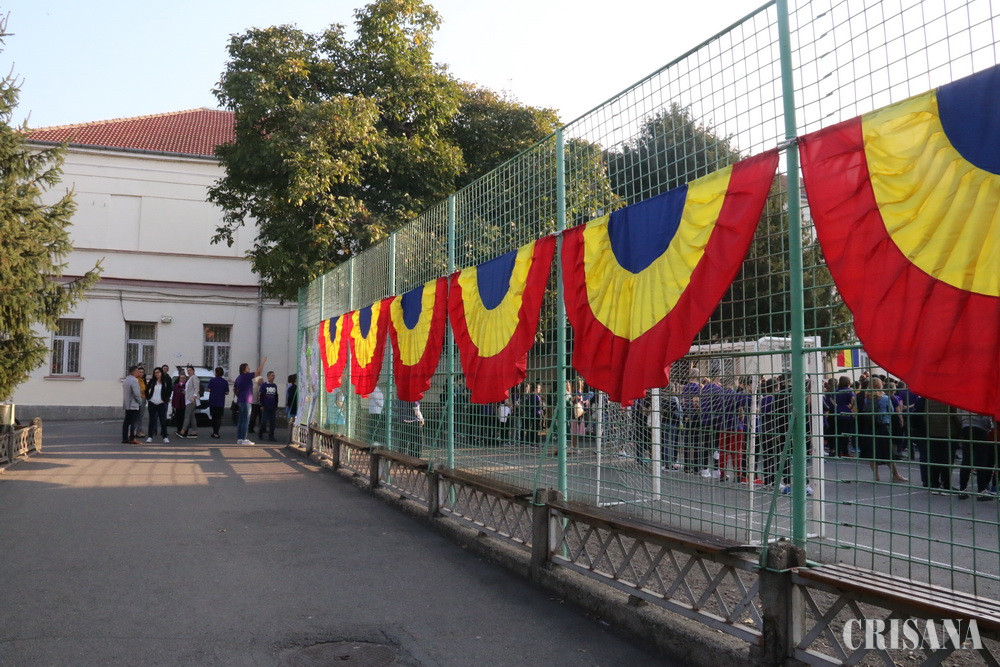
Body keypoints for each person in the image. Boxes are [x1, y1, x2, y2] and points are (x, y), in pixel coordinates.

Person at [955, 409, 996, 500]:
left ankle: (962, 489)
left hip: (966, 427)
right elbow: (986, 416)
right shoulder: (980, 400)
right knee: (981, 460)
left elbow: (958, 413)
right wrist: (988, 427)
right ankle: (981, 491)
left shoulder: (964, 400)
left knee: (966, 460)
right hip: (980, 428)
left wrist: (964, 422)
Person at [233, 357, 267, 445]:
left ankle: (240, 439)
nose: (249, 368)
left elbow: (234, 389)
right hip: (246, 401)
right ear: (244, 369)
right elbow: (258, 372)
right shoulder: (246, 376)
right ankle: (244, 439)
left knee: (241, 420)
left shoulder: (238, 377)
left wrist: (239, 395)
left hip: (240, 401)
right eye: (248, 367)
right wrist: (263, 362)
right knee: (246, 420)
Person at [144, 366, 171, 443]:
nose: (157, 374)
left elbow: (169, 390)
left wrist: (165, 400)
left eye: (158, 372)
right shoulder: (152, 381)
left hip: (161, 403)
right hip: (152, 403)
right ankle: (150, 436)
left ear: (161, 373)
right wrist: (149, 399)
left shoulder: (165, 381)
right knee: (152, 420)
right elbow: (146, 390)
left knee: (163, 420)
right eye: (155, 372)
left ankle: (165, 437)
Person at [176, 365, 200, 439]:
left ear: (193, 371)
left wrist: (194, 397)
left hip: (191, 400)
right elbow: (189, 390)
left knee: (187, 416)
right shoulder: (190, 378)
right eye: (188, 370)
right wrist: (183, 391)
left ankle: (182, 432)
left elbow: (197, 388)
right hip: (188, 400)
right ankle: (194, 432)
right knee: (192, 417)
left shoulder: (194, 377)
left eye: (190, 370)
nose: (189, 372)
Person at [121, 365, 143, 444]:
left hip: (127, 404)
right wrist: (140, 401)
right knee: (134, 422)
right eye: (138, 371)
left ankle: (125, 438)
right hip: (133, 405)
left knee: (126, 422)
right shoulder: (134, 380)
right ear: (134, 372)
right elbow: (136, 393)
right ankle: (132, 438)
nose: (139, 373)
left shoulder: (126, 380)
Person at [207, 367, 229, 439]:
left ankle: (214, 432)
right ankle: (217, 432)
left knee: (213, 417)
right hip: (220, 402)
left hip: (213, 401)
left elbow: (209, 389)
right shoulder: (225, 382)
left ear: (216, 373)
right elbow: (227, 392)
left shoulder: (212, 380)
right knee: (219, 417)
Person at [258, 371, 279, 441]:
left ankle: (271, 436)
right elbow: (261, 396)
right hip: (265, 406)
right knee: (264, 421)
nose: (273, 377)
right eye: (272, 375)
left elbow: (276, 396)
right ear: (268, 376)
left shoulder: (274, 385)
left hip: (272, 406)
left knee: (272, 422)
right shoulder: (264, 385)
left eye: (274, 376)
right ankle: (260, 432)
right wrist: (261, 405)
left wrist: (276, 404)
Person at [135, 364, 148, 438]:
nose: (141, 373)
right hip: (140, 398)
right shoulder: (137, 380)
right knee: (139, 416)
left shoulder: (142, 380)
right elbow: (141, 389)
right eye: (140, 372)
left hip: (143, 398)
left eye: (142, 372)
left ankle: (139, 430)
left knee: (140, 416)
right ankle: (137, 431)